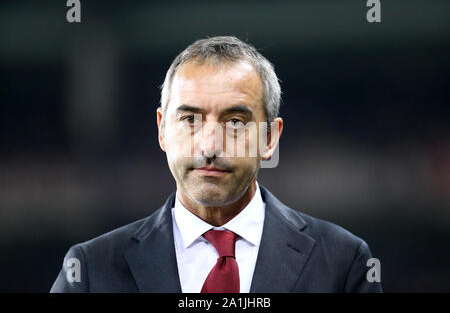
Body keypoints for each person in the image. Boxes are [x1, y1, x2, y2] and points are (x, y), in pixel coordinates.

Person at [51, 36, 382, 293]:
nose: (209, 146)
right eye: (190, 119)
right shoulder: (90, 271)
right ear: (162, 130)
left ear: (270, 138)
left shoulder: (344, 263)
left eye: (235, 122)